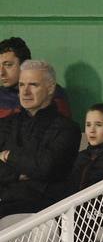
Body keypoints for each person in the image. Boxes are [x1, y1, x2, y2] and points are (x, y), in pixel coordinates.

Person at [0, 60, 80, 215]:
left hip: (42, 211)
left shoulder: (67, 129)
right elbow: (37, 166)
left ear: (50, 88)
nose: (25, 92)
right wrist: (19, 174)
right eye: (21, 85)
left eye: (33, 85)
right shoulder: (5, 124)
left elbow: (46, 168)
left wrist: (8, 155)